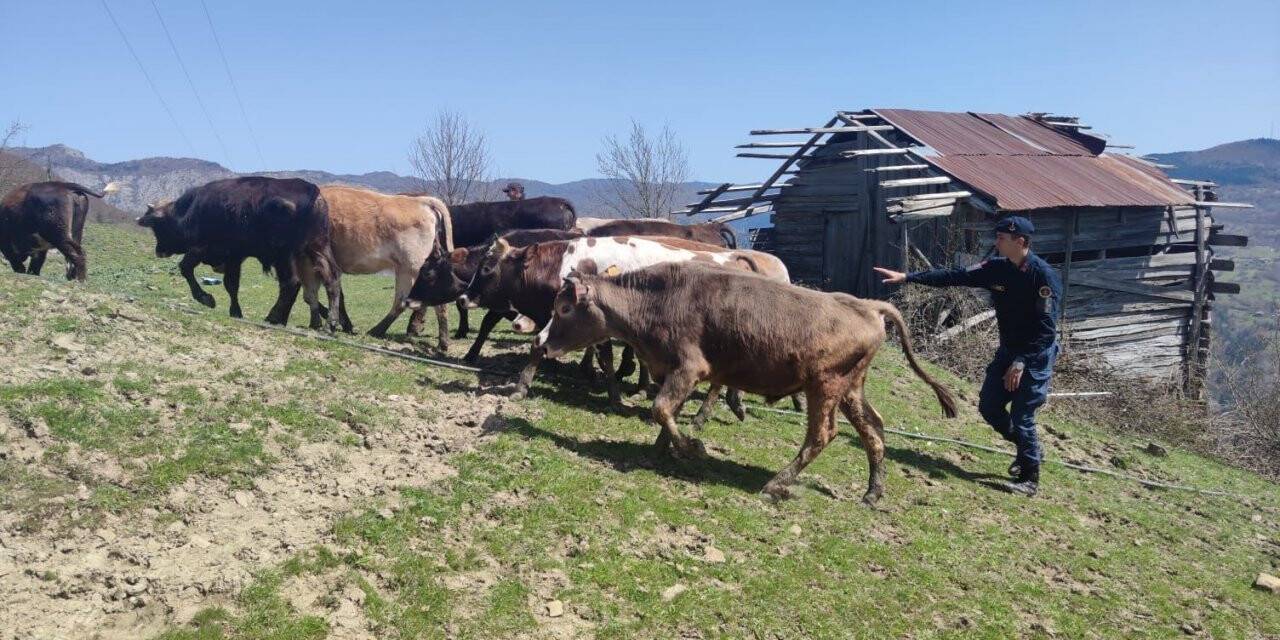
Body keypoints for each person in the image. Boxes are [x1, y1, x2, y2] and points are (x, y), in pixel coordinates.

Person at [874, 215, 1061, 496]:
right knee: (989, 406)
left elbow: (1047, 329)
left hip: (1035, 356)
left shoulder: (1042, 276)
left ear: (1020, 242)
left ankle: (1029, 478)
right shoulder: (996, 268)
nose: (995, 242)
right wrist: (908, 277)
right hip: (1008, 350)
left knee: (1023, 415)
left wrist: (1022, 361)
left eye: (1001, 239)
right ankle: (1028, 448)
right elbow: (955, 276)